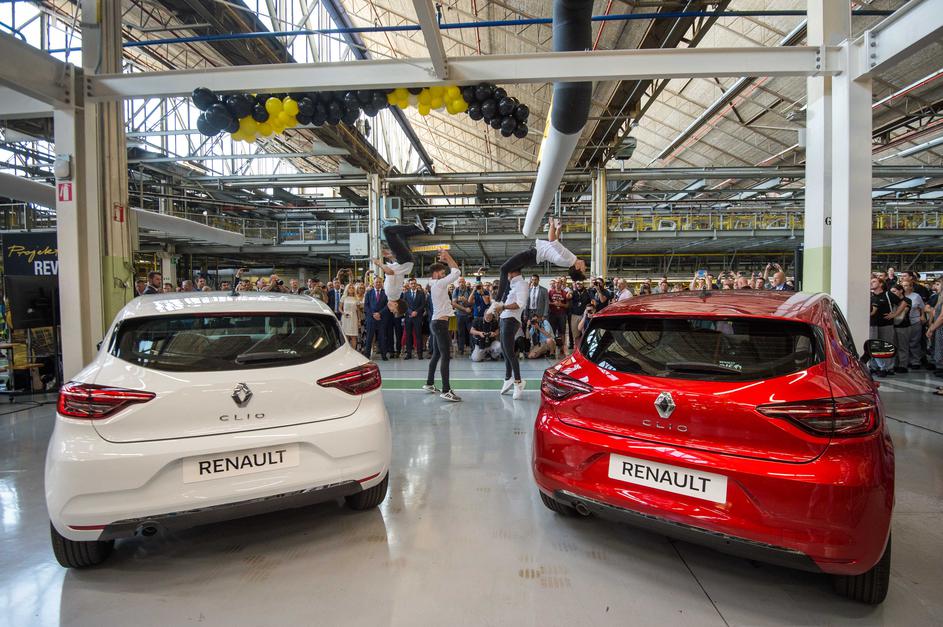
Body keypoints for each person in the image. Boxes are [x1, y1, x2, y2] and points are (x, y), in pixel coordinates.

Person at [491, 217, 587, 308]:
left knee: (504, 269)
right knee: (511, 272)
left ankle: (498, 300)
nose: (585, 267)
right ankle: (505, 299)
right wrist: (558, 228)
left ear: (577, 268)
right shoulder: (569, 261)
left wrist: (552, 224)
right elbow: (555, 244)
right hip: (533, 258)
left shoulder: (570, 258)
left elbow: (552, 240)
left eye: (584, 270)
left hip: (532, 255)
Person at [423, 249, 462, 402]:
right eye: (442, 272)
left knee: (437, 355)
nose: (444, 275)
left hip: (436, 322)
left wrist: (445, 259)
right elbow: (457, 272)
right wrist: (448, 256)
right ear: (435, 274)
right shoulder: (439, 284)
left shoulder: (433, 283)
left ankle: (429, 383)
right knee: (445, 356)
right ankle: (446, 390)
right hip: (440, 324)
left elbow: (453, 270)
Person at [493, 264, 529, 400]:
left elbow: (520, 304)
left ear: (512, 273)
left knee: (509, 352)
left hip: (511, 320)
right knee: (505, 351)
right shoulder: (514, 285)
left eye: (507, 274)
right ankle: (508, 378)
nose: (505, 277)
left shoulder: (522, 284)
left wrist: (503, 307)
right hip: (504, 319)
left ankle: (518, 382)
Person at [869, 276, 903, 377]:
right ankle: (875, 367)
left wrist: (895, 314)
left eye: (874, 281)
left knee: (886, 346)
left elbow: (904, 302)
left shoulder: (888, 294)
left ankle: (888, 368)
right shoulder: (870, 295)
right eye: (870, 281)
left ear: (881, 284)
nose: (871, 283)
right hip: (874, 324)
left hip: (886, 324)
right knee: (875, 346)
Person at [363, 276, 389, 361]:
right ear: (373, 283)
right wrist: (373, 314)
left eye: (379, 282)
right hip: (371, 318)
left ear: (382, 283)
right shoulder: (369, 293)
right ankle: (367, 355)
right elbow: (366, 306)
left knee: (382, 337)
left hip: (382, 318)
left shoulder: (386, 293)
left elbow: (388, 305)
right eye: (376, 282)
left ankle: (384, 355)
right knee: (369, 337)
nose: (378, 283)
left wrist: (379, 313)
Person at [889, 284, 912, 373]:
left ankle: (903, 365)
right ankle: (895, 364)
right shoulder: (891, 300)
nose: (892, 293)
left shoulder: (907, 300)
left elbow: (901, 313)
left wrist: (893, 314)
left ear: (901, 291)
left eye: (894, 291)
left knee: (903, 346)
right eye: (891, 292)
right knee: (894, 346)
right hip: (893, 326)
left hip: (903, 326)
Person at [403, 277, 426, 359]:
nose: (413, 285)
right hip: (408, 317)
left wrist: (416, 312)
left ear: (416, 284)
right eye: (411, 284)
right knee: (408, 336)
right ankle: (408, 354)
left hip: (418, 317)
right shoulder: (406, 294)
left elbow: (423, 305)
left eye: (414, 283)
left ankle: (420, 354)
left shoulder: (421, 293)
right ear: (409, 285)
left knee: (418, 335)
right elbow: (404, 305)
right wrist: (410, 312)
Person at [452, 278, 474, 356]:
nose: (461, 283)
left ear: (465, 282)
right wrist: (465, 309)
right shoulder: (456, 290)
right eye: (459, 282)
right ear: (458, 283)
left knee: (471, 332)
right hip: (459, 315)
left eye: (462, 282)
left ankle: (473, 349)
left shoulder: (470, 290)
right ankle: (461, 350)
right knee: (460, 333)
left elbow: (473, 302)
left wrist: (466, 301)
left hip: (469, 315)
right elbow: (454, 303)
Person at [547, 279, 568, 355]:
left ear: (561, 284)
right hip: (552, 314)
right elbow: (547, 302)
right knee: (552, 332)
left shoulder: (565, 293)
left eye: (559, 282)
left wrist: (561, 304)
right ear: (554, 283)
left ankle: (562, 348)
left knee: (562, 332)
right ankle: (552, 349)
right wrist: (553, 303)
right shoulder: (550, 292)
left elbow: (567, 305)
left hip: (562, 314)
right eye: (556, 282)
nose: (557, 284)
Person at [567, 281, 590, 351]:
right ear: (575, 285)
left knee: (585, 334)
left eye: (580, 284)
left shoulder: (587, 292)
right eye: (577, 284)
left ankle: (584, 349)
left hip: (584, 316)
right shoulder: (573, 292)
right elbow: (568, 297)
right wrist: (569, 292)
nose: (579, 285)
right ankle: (577, 350)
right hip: (575, 315)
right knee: (576, 335)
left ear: (583, 284)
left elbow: (591, 302)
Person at [340, 284, 362, 349]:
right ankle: (346, 351)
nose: (351, 289)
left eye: (352, 288)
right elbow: (339, 308)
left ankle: (353, 351)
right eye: (350, 288)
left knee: (353, 336)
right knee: (346, 336)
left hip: (354, 318)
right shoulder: (344, 297)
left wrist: (359, 320)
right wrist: (343, 313)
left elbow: (358, 310)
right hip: (345, 318)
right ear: (347, 289)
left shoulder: (356, 298)